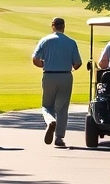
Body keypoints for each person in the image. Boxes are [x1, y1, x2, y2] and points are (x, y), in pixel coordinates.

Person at [32, 17, 83, 147]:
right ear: (63, 26)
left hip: (49, 75)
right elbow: (77, 63)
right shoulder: (71, 42)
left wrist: (44, 64)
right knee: (62, 108)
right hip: (65, 76)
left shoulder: (45, 40)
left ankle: (50, 121)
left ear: (53, 26)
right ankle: (59, 137)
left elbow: (35, 59)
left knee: (47, 105)